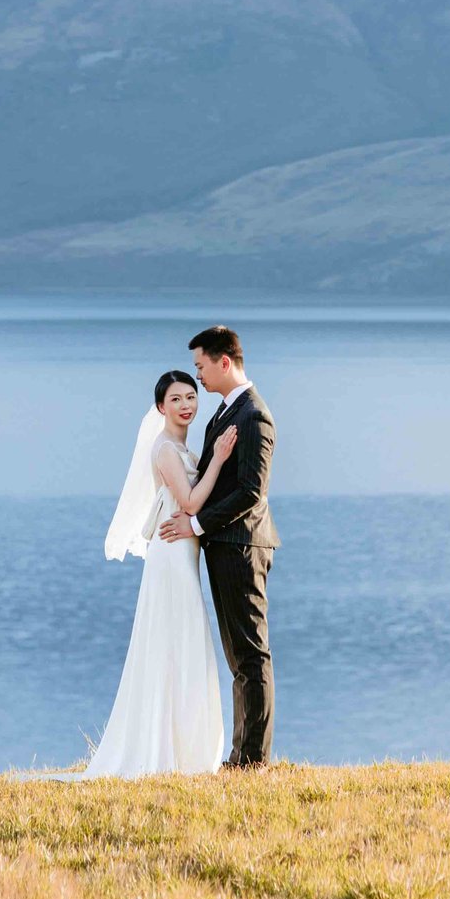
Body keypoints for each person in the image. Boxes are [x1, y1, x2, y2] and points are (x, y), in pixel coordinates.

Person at [83, 369, 237, 777]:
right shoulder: (165, 449)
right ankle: (165, 751)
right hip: (170, 558)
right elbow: (188, 503)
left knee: (182, 643)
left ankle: (184, 747)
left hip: (183, 554)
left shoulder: (182, 447)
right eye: (176, 400)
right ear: (160, 407)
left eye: (191, 397)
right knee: (175, 641)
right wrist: (219, 460)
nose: (186, 405)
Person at [158, 324, 279, 769]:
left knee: (250, 652)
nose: (198, 378)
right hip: (225, 545)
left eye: (201, 366)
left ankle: (252, 760)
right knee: (238, 655)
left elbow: (251, 491)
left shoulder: (254, 416)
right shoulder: (226, 412)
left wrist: (194, 523)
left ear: (223, 362)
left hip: (242, 546)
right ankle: (241, 755)